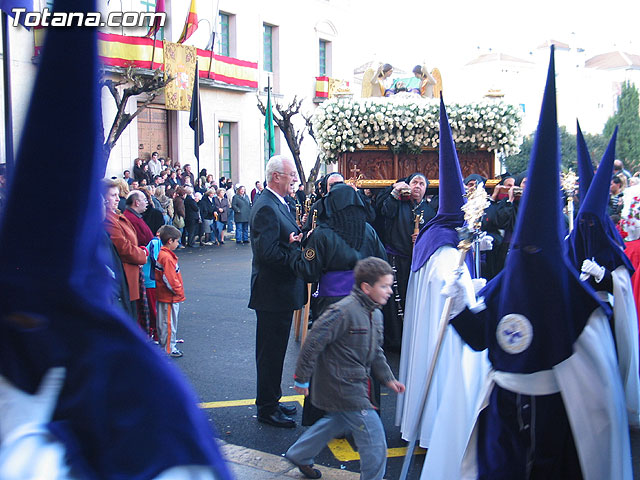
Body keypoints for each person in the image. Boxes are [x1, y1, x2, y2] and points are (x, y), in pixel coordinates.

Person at [437, 49, 632, 479]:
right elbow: (478, 335)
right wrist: (457, 300)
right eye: (522, 250)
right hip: (503, 414)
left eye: (534, 249)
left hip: (560, 420)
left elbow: (597, 394)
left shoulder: (579, 306)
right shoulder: (506, 285)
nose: (527, 258)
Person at [396, 98, 490, 463]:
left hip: (433, 327)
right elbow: (449, 292)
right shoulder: (446, 249)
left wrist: (472, 284)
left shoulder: (437, 237)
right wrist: (471, 291)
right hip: (443, 336)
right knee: (441, 379)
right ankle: (434, 428)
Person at [285, 257, 405, 480]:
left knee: (337, 421)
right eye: (384, 286)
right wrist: (301, 378)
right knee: (373, 436)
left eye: (390, 285)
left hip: (355, 382)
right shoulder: (342, 311)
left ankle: (299, 454)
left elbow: (376, 351)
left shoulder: (375, 314)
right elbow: (313, 342)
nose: (389, 291)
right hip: (340, 384)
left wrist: (388, 378)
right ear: (366, 287)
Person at [567, 128, 640, 427]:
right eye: (582, 221)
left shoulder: (612, 244)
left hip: (604, 317)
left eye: (591, 222)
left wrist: (605, 277)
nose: (586, 226)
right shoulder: (571, 240)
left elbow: (623, 284)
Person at [249, 155, 305, 428]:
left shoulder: (279, 203)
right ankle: (267, 408)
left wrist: (293, 239)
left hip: (279, 292)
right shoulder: (266, 207)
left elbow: (279, 240)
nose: (294, 179)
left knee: (276, 353)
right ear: (276, 177)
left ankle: (272, 399)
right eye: (291, 174)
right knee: (270, 354)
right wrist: (295, 252)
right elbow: (268, 253)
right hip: (272, 293)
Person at [379, 172, 437, 350]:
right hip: (397, 258)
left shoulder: (429, 211)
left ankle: (412, 339)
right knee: (395, 300)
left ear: (426, 189)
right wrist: (394, 193)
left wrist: (422, 239)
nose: (417, 186)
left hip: (417, 261)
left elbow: (435, 234)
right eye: (414, 182)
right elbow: (384, 213)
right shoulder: (398, 203)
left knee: (413, 299)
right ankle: (395, 340)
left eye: (421, 184)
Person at [155, 225, 186, 358]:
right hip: (169, 296)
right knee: (168, 323)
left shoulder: (165, 255)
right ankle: (167, 348)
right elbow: (169, 278)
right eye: (177, 241)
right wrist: (178, 291)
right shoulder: (167, 257)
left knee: (167, 322)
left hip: (167, 295)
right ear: (170, 241)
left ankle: (168, 345)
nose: (177, 244)